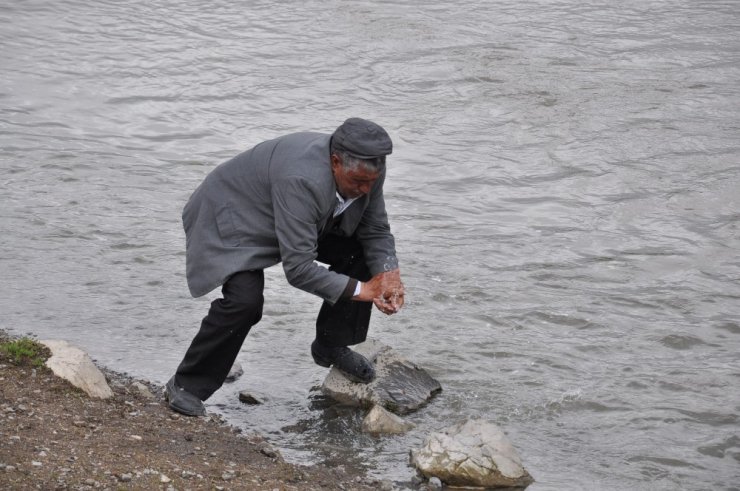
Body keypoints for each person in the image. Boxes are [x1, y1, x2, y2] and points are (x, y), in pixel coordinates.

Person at [165, 117, 405, 416]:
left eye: (371, 182)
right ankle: (187, 384)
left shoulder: (367, 170)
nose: (365, 190)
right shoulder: (302, 178)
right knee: (245, 301)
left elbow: (375, 229)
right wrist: (364, 290)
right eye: (357, 182)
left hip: (294, 214)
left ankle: (331, 345)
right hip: (232, 216)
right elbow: (299, 269)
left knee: (362, 253)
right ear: (334, 162)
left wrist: (388, 274)